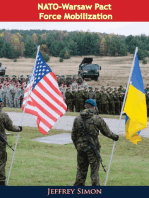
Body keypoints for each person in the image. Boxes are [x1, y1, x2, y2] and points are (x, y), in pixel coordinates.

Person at [71, 99, 119, 186]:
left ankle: (78, 187)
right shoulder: (97, 118)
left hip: (81, 147)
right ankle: (95, 188)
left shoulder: (77, 119)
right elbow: (107, 132)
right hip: (93, 148)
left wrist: (78, 145)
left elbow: (73, 136)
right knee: (94, 170)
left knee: (81, 169)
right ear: (94, 107)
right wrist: (115, 137)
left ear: (85, 106)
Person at [0, 98, 22, 186]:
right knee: (1, 161)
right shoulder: (2, 114)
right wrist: (19, 128)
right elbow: (10, 127)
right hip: (0, 142)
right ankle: (1, 183)